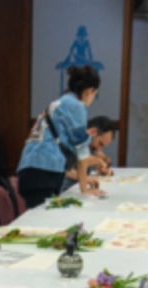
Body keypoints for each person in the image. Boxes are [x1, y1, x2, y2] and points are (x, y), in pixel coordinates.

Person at [17, 65, 106, 208]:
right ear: (90, 91)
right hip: (45, 171)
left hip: (29, 169)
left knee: (38, 219)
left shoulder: (60, 102)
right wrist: (85, 189)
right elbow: (82, 155)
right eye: (95, 94)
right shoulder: (77, 106)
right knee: (45, 223)